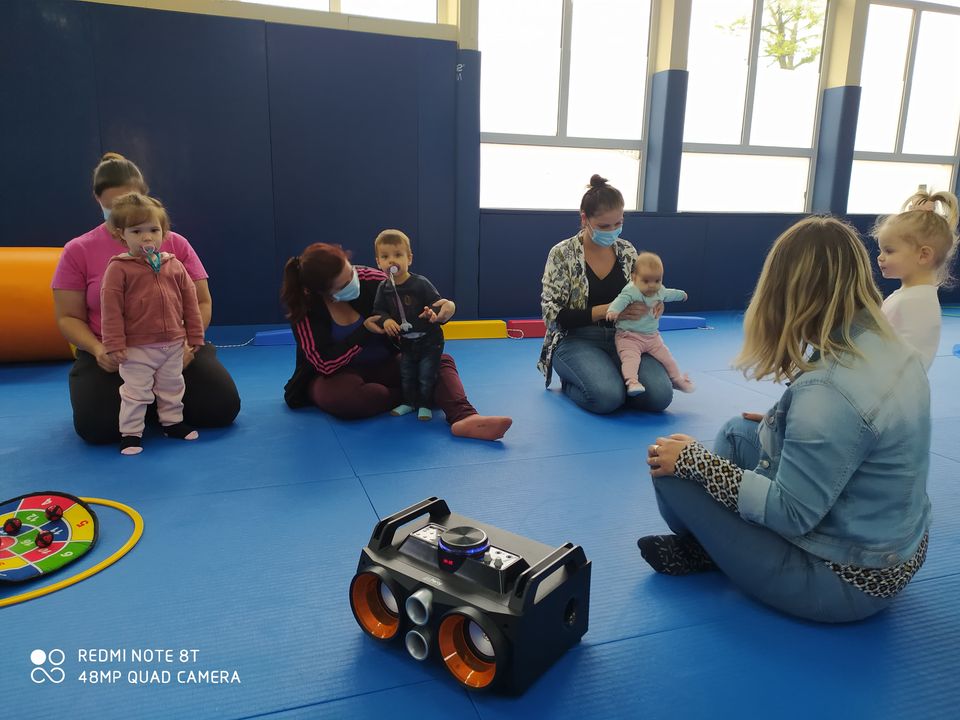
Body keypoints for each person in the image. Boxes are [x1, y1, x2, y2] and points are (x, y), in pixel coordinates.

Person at [636, 216, 931, 623]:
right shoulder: (886, 344)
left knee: (668, 467)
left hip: (847, 581)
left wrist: (697, 464)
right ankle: (716, 546)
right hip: (895, 548)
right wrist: (792, 423)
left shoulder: (829, 392)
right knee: (737, 435)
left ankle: (708, 548)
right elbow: (858, 439)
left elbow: (792, 514)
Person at [52, 153, 240, 443]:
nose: (124, 211)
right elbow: (68, 316)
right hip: (116, 352)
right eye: (114, 206)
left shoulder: (175, 244)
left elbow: (201, 301)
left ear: (144, 196)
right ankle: (145, 402)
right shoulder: (78, 249)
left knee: (221, 408)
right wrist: (99, 349)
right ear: (97, 199)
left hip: (171, 345)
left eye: (131, 201)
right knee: (98, 427)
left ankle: (155, 402)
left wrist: (191, 343)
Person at [281, 242, 512, 441]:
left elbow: (414, 313)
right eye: (344, 284)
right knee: (345, 398)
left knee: (438, 362)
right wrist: (363, 331)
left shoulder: (374, 280)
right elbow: (324, 364)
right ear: (325, 293)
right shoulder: (306, 309)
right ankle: (417, 394)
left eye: (350, 271)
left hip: (386, 365)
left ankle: (465, 417)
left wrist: (440, 311)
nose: (354, 280)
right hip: (335, 377)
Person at [539, 174, 673, 414]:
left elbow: (647, 287)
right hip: (576, 340)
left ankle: (614, 376)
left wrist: (655, 302)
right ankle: (572, 381)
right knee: (607, 398)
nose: (613, 231)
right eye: (604, 226)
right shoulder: (562, 254)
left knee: (660, 397)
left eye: (618, 224)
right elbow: (552, 315)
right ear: (584, 219)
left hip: (628, 338)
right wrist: (608, 310)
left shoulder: (627, 250)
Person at [101, 194, 204, 455]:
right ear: (121, 235)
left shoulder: (174, 265)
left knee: (172, 386)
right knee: (135, 392)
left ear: (164, 232)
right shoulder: (118, 269)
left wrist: (194, 336)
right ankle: (131, 433)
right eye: (137, 231)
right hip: (137, 347)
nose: (147, 237)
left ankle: (172, 423)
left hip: (171, 343)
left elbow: (191, 302)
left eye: (153, 230)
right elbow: (110, 309)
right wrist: (114, 344)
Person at [873, 187, 959, 371]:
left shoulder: (912, 302)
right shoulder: (914, 296)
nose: (880, 257)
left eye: (889, 251)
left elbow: (901, 362)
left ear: (923, 255)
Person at [371, 229, 447, 421]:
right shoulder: (384, 287)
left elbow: (437, 304)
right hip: (406, 343)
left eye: (398, 255)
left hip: (430, 341)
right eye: (385, 257)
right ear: (378, 262)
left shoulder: (420, 283)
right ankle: (409, 402)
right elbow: (378, 311)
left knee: (426, 374)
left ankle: (425, 404)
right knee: (406, 373)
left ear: (409, 258)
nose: (392, 261)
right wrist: (386, 320)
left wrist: (432, 312)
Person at [605, 251, 694, 396]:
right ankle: (632, 381)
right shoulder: (631, 291)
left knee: (668, 358)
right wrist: (614, 311)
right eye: (646, 281)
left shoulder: (660, 291)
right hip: (629, 337)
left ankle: (677, 379)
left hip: (652, 338)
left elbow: (670, 294)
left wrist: (682, 295)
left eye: (657, 281)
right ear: (634, 278)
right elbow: (620, 300)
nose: (652, 286)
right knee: (630, 359)